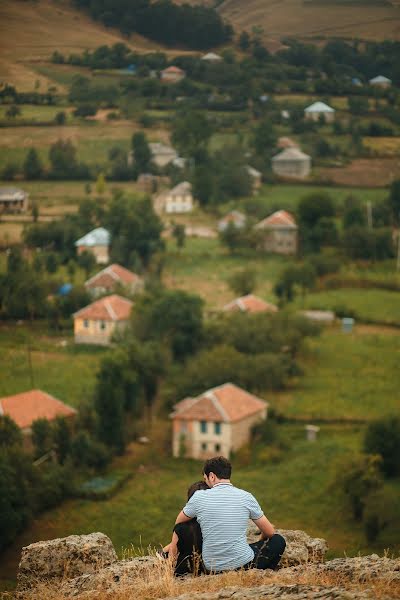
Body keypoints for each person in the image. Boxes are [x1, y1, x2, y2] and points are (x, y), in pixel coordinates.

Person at [173, 456, 286, 574]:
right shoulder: (246, 497)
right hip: (244, 564)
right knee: (278, 541)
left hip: (212, 567)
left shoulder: (199, 496)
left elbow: (179, 523)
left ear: (212, 476)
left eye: (205, 479)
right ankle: (262, 573)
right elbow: (269, 532)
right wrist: (261, 542)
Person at [163, 481, 209, 576]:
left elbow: (172, 559)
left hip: (183, 572)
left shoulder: (180, 528)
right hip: (207, 569)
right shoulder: (211, 525)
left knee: (165, 552)